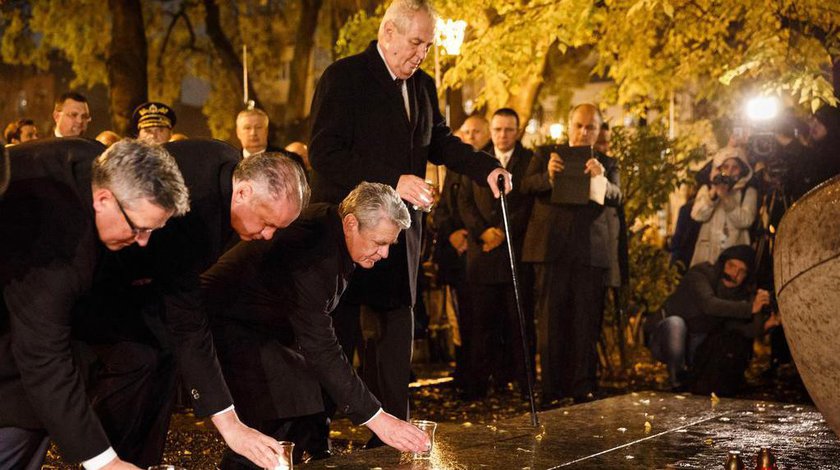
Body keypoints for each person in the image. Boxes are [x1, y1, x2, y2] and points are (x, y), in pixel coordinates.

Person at [308, 0, 511, 438]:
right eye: (416, 42)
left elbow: (439, 142)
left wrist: (485, 167)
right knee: (337, 335)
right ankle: (314, 436)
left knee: (396, 336)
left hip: (400, 238)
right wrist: (392, 180)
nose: (421, 52)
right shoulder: (343, 78)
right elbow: (325, 155)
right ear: (388, 34)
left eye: (427, 44)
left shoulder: (423, 85)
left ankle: (392, 434)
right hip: (349, 234)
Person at [77, 144, 307, 468]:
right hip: (94, 274)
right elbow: (187, 318)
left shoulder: (230, 170)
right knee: (137, 358)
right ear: (242, 192)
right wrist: (231, 428)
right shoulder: (195, 209)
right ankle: (108, 459)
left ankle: (143, 463)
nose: (268, 236)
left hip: (146, 276)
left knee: (167, 354)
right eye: (267, 222)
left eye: (277, 229)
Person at [201, 182, 430, 468]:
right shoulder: (315, 251)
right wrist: (378, 419)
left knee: (299, 398)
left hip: (257, 324)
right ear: (350, 223)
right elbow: (319, 345)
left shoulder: (332, 229)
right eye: (379, 242)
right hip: (220, 319)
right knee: (281, 401)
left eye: (389, 244)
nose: (384, 254)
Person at [0, 138, 188, 470]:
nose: (142, 242)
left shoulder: (96, 168)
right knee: (23, 399)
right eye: (138, 229)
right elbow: (43, 360)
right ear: (103, 199)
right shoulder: (57, 244)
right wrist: (104, 462)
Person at [521, 103, 622, 404]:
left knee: (586, 321)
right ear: (569, 126)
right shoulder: (546, 155)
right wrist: (548, 178)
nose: (583, 132)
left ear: (599, 130)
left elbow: (617, 196)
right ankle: (551, 389)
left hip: (589, 253)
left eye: (590, 127)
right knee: (550, 323)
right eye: (578, 125)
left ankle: (583, 385)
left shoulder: (607, 162)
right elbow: (525, 186)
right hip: (552, 251)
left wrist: (601, 178)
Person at [456, 108, 534, 399]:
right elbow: (465, 201)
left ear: (517, 131)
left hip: (513, 254)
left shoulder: (528, 160)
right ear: (492, 130)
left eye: (509, 130)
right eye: (498, 129)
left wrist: (502, 232)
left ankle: (522, 384)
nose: (503, 135)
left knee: (518, 323)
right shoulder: (477, 160)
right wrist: (482, 232)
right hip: (482, 256)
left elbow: (527, 203)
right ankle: (478, 385)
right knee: (481, 324)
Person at [647, 245, 779, 391]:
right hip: (665, 341)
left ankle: (694, 381)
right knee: (676, 324)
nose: (734, 274)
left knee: (724, 340)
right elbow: (709, 305)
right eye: (731, 266)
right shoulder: (700, 274)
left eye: (741, 272)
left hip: (696, 346)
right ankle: (676, 382)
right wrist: (750, 308)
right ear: (723, 263)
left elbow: (737, 329)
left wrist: (764, 321)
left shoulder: (734, 294)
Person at [433, 114, 489, 392]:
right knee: (460, 317)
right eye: (466, 132)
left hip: (480, 253)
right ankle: (463, 369)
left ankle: (477, 374)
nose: (471, 137)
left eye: (477, 132)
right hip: (456, 255)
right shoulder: (455, 168)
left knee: (479, 319)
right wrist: (452, 233)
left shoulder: (486, 165)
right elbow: (444, 207)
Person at [689, 146, 757, 267]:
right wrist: (713, 194)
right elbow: (697, 215)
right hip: (706, 258)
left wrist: (726, 198)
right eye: (726, 167)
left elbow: (746, 221)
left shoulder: (748, 191)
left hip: (734, 257)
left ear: (742, 170)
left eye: (735, 167)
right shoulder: (708, 189)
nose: (730, 171)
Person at [234, 108, 306, 169]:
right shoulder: (229, 163)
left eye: (258, 127)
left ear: (266, 130)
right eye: (247, 128)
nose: (253, 133)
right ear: (238, 132)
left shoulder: (290, 160)